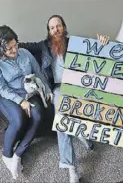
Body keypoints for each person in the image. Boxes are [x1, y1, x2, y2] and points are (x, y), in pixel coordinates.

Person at [19, 15, 109, 183]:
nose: (56, 30)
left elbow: (95, 52)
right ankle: (71, 168)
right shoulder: (43, 45)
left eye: (58, 26)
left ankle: (81, 133)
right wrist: (1, 51)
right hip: (59, 87)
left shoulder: (76, 42)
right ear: (49, 31)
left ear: (64, 27)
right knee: (61, 122)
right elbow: (22, 46)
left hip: (79, 85)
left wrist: (103, 44)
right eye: (52, 27)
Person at [0, 25, 53, 179]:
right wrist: (20, 101)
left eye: (15, 45)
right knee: (18, 120)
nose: (14, 50)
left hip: (30, 93)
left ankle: (18, 154)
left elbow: (38, 72)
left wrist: (47, 89)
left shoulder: (25, 53)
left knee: (38, 116)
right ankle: (6, 154)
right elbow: (0, 87)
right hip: (8, 96)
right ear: (0, 49)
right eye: (9, 48)